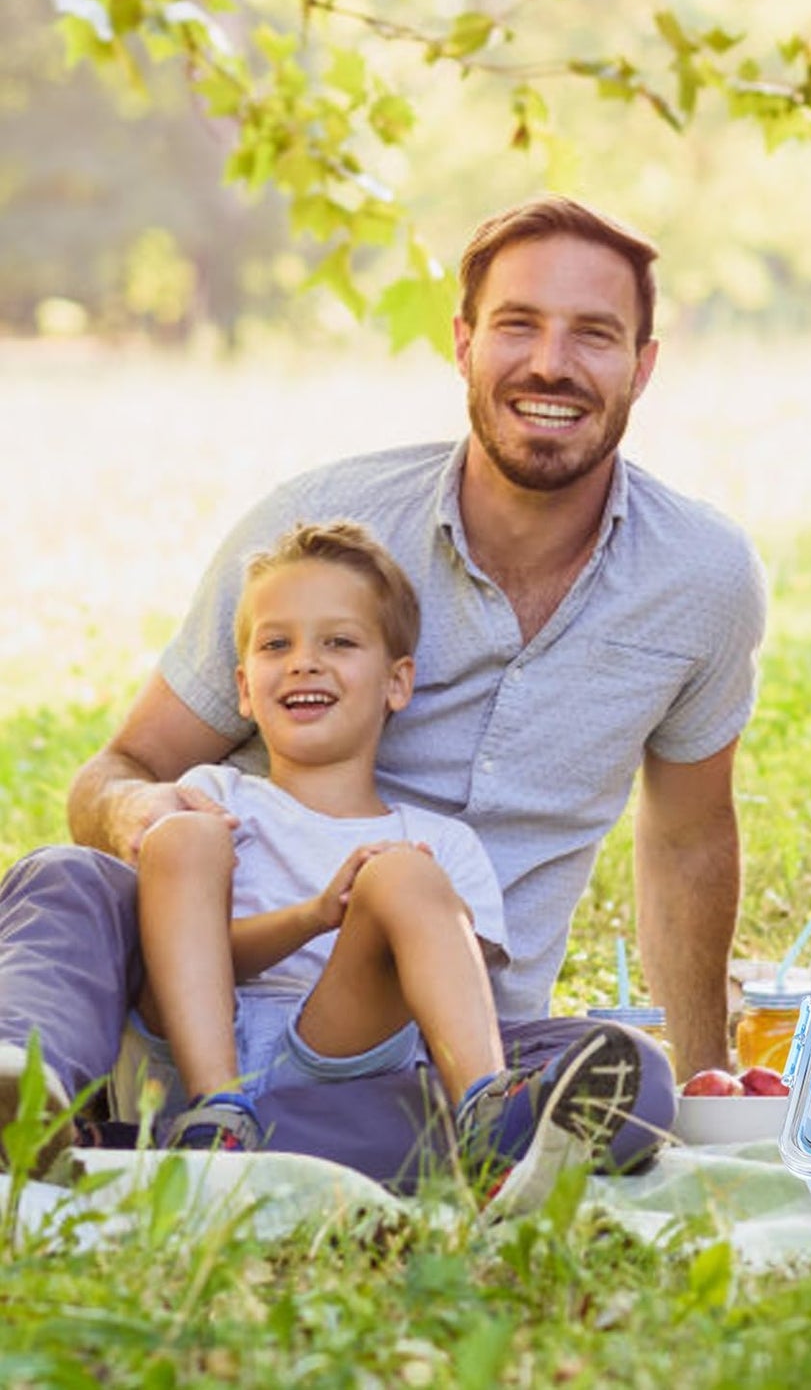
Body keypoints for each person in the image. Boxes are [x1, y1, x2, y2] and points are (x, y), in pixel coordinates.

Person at [0, 195, 767, 1186]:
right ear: (464, 343)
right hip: (196, 1000)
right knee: (66, 876)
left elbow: (689, 837)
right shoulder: (317, 530)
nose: (550, 364)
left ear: (641, 365)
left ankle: (173, 1147)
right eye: (517, 324)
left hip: (435, 1049)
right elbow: (121, 767)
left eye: (593, 333)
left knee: (632, 1086)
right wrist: (145, 816)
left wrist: (706, 1077)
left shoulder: (700, 577)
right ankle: (30, 1091)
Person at [119, 519, 642, 1214]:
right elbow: (173, 958)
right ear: (244, 688)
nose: (304, 662)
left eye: (338, 642)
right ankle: (216, 1118)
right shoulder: (215, 798)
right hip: (199, 1044)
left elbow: (446, 991)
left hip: (344, 1050)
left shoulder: (440, 843)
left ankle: (488, 1115)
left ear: (397, 683)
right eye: (276, 644)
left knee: (403, 874)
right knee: (183, 835)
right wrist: (311, 917)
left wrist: (371, 901)